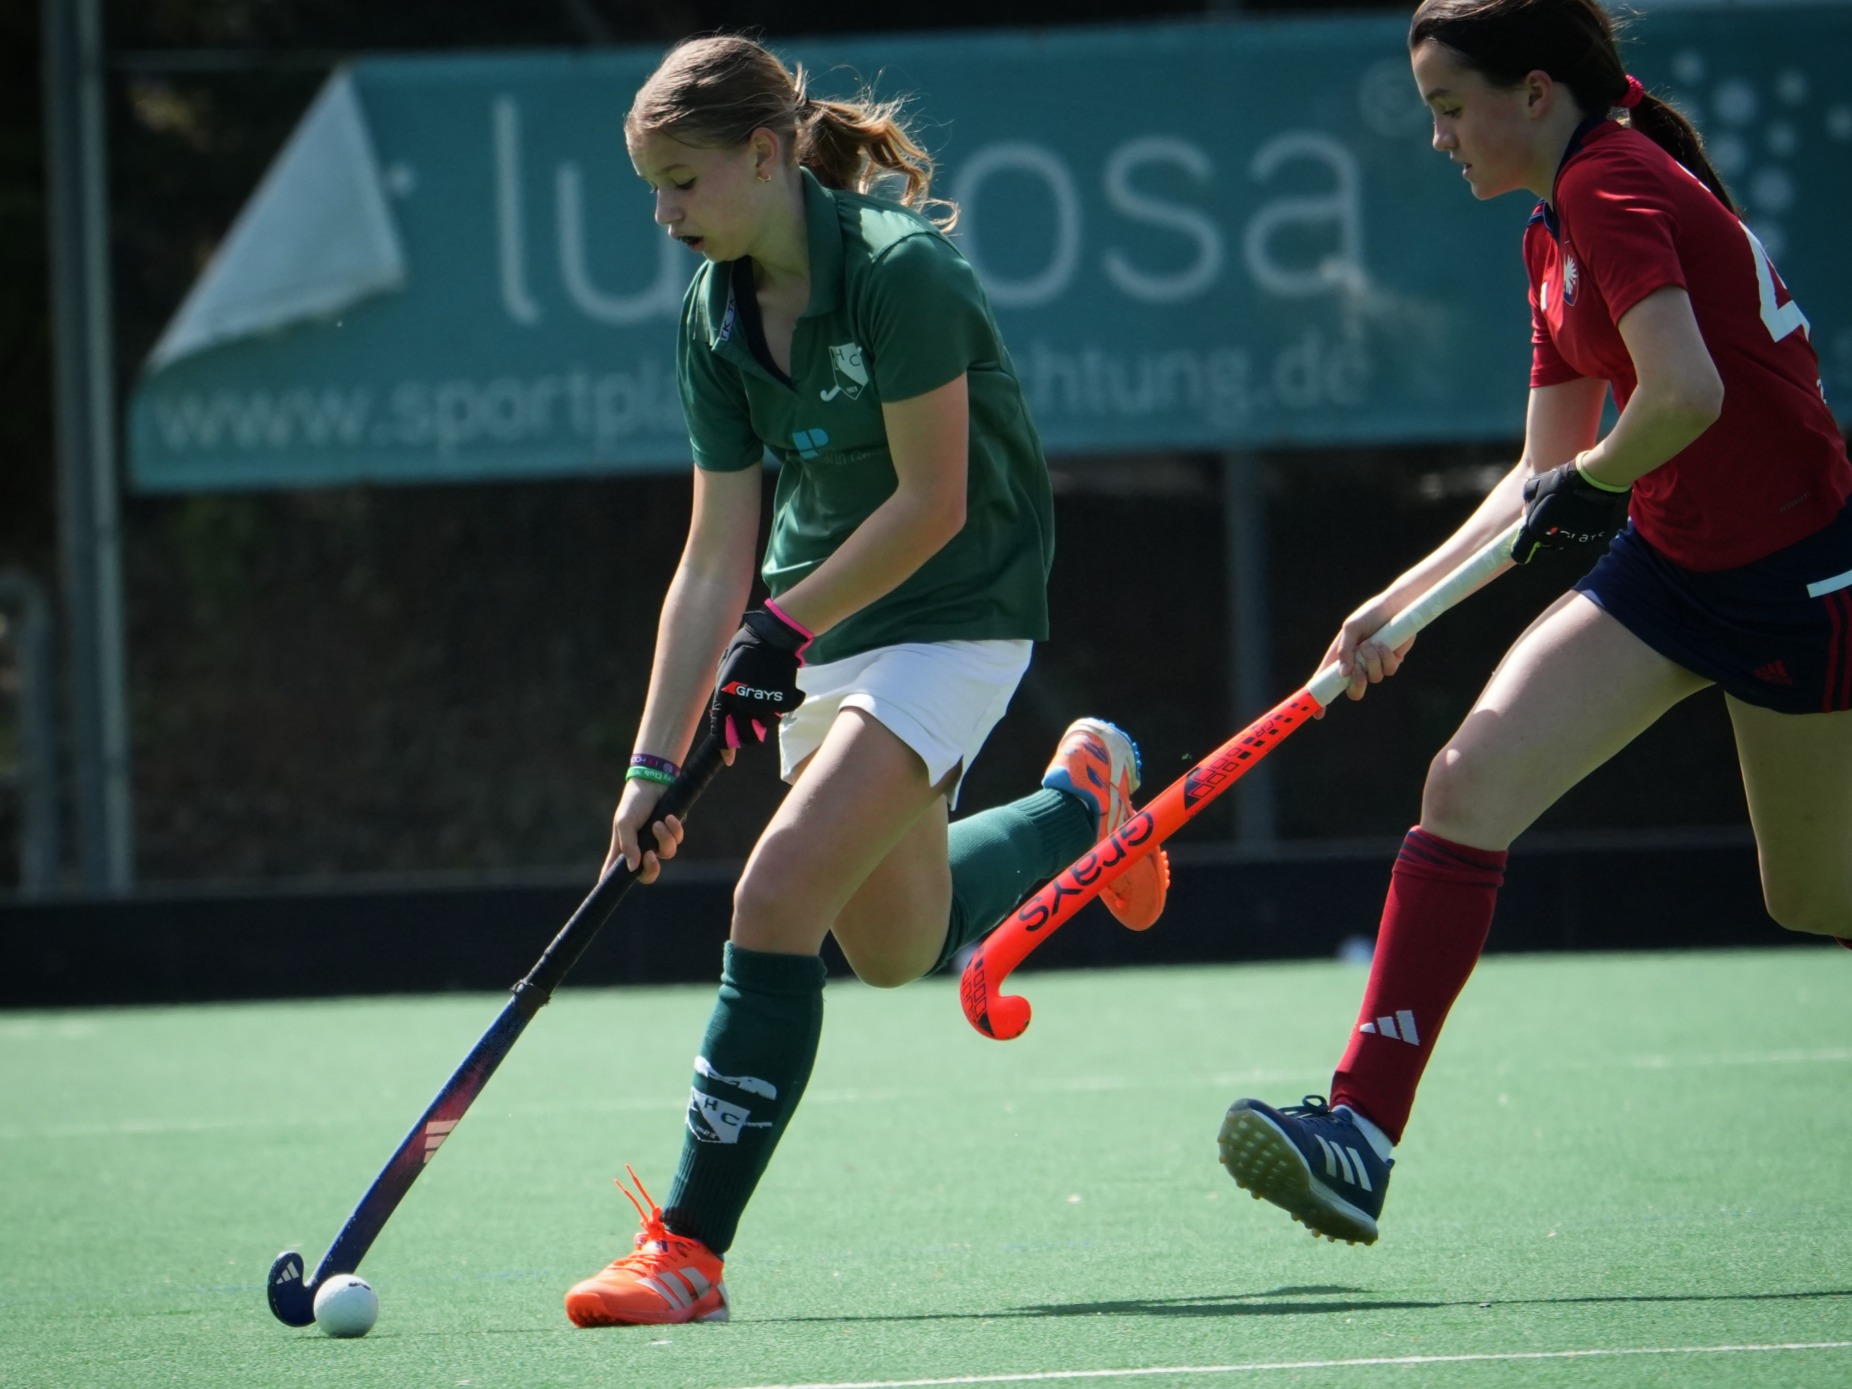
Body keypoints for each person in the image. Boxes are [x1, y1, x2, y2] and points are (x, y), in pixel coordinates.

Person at [1218, 0, 1852, 1247]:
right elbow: (1538, 474)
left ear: (1535, 94)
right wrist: (1396, 605)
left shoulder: (1613, 184)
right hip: (1668, 567)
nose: (1439, 138)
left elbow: (1682, 394)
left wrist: (1595, 487)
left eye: (1450, 108)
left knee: (1814, 894)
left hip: (1796, 580)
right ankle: (1359, 1135)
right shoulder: (1550, 231)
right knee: (1465, 783)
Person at [562, 35, 1171, 1327]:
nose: (664, 216)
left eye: (681, 183)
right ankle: (1082, 806)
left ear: (764, 155)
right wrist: (651, 766)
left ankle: (688, 1252)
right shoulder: (714, 314)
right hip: (825, 622)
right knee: (893, 947)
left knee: (776, 892)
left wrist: (780, 629)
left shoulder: (903, 275)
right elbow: (713, 553)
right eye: (651, 189)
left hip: (957, 605)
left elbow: (934, 502)